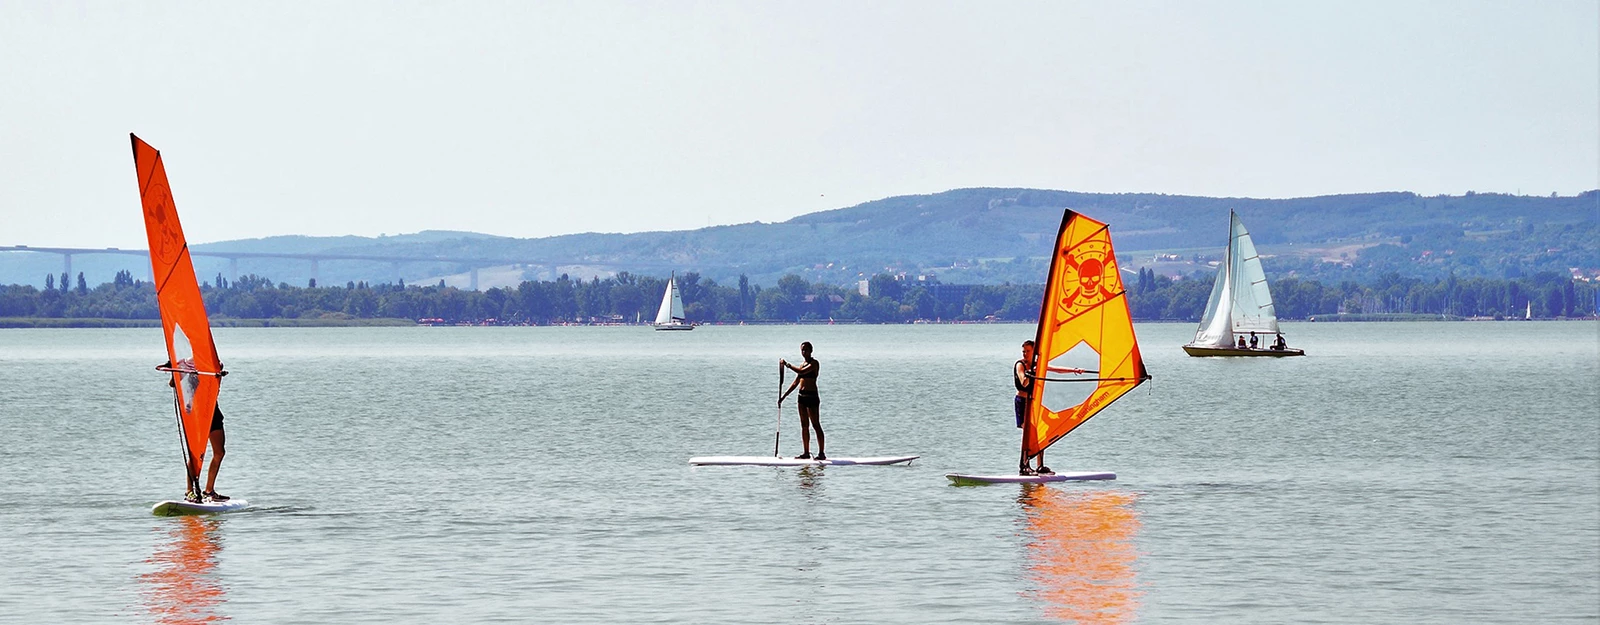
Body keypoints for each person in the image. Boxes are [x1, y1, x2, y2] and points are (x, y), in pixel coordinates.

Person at [1014, 340, 1085, 476]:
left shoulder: (1037, 365)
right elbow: (1023, 382)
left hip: (1034, 402)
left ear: (1034, 352)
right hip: (1022, 401)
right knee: (1028, 433)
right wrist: (1031, 373)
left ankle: (1040, 466)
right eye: (1024, 351)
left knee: (1041, 431)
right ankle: (1024, 465)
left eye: (1028, 351)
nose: (1025, 354)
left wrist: (1074, 370)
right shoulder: (1020, 365)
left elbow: (1056, 369)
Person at [168, 361, 230, 503]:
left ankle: (209, 491)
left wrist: (217, 371)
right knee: (195, 453)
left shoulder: (212, 363)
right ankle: (189, 491)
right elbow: (172, 384)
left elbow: (218, 367)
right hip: (195, 413)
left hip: (212, 412)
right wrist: (176, 370)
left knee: (219, 452)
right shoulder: (187, 365)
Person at [780, 342, 824, 461]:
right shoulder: (802, 364)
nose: (804, 352)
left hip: (812, 396)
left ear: (811, 351)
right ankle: (806, 453)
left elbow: (801, 372)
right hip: (801, 397)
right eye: (802, 350)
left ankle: (821, 453)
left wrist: (787, 365)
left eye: (806, 350)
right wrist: (783, 397)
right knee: (804, 426)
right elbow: (796, 383)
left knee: (815, 424)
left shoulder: (814, 364)